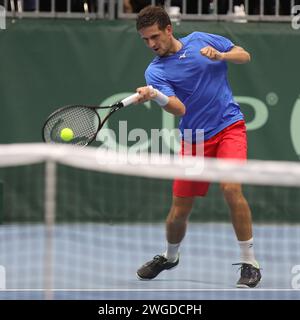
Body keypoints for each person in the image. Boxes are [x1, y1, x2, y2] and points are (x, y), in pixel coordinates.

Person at [134, 5, 261, 288]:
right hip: (193, 139)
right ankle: (170, 257)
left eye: (155, 36)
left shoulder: (201, 39)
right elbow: (179, 109)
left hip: (229, 127)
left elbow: (244, 54)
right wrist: (155, 95)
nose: (151, 44)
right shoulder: (155, 72)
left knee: (231, 188)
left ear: (169, 29)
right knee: (179, 210)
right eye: (145, 40)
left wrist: (222, 55)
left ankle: (249, 262)